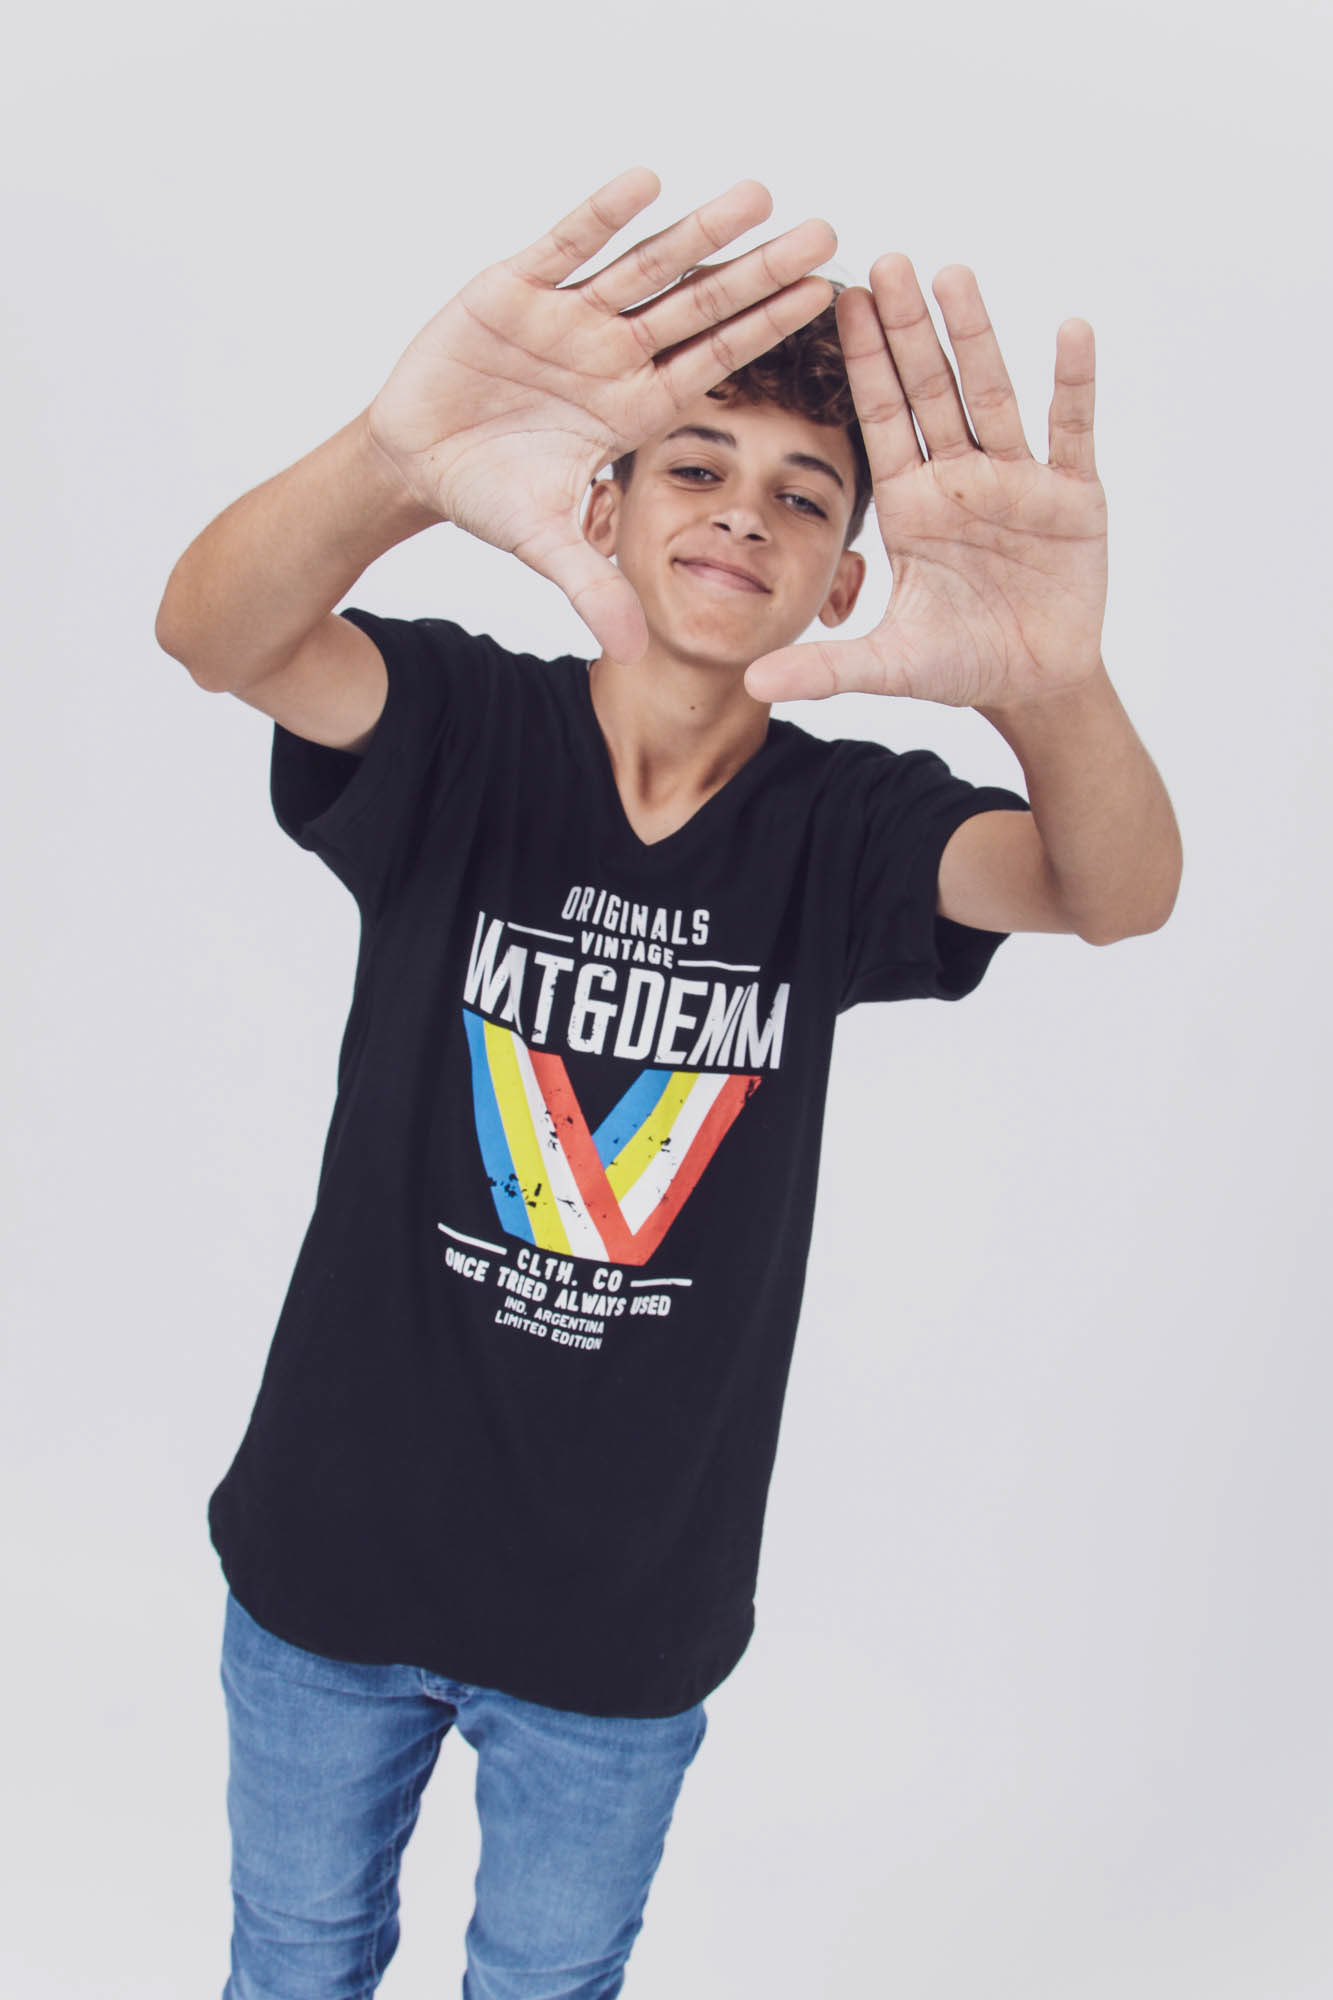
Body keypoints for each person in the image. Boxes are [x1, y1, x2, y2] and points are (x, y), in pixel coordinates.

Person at [155, 168, 1182, 2000]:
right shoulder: (461, 726)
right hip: (329, 1557)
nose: (742, 515)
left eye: (801, 497)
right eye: (695, 468)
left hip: (619, 1625)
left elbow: (1112, 892)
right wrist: (396, 457)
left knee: (551, 1979)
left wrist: (1051, 686)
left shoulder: (848, 829)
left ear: (845, 576)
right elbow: (212, 636)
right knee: (293, 1952)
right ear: (601, 504)